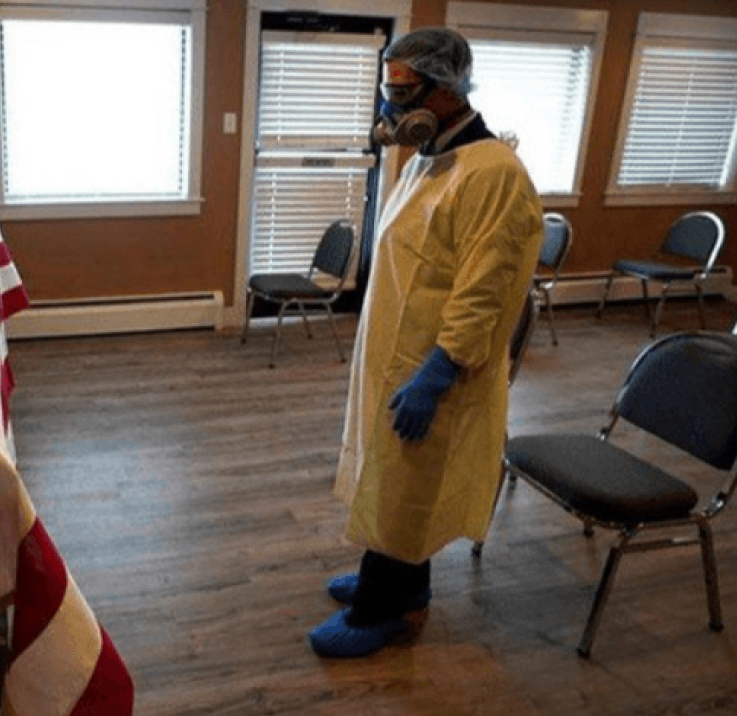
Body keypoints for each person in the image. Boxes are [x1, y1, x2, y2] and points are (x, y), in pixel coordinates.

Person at [309, 28, 545, 658]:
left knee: (406, 483)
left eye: (402, 90)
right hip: (394, 354)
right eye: (388, 88)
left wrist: (440, 369)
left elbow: (485, 289)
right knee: (393, 480)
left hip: (433, 366)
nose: (390, 104)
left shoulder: (493, 174)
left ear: (446, 90)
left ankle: (381, 610)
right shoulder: (429, 159)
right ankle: (404, 584)